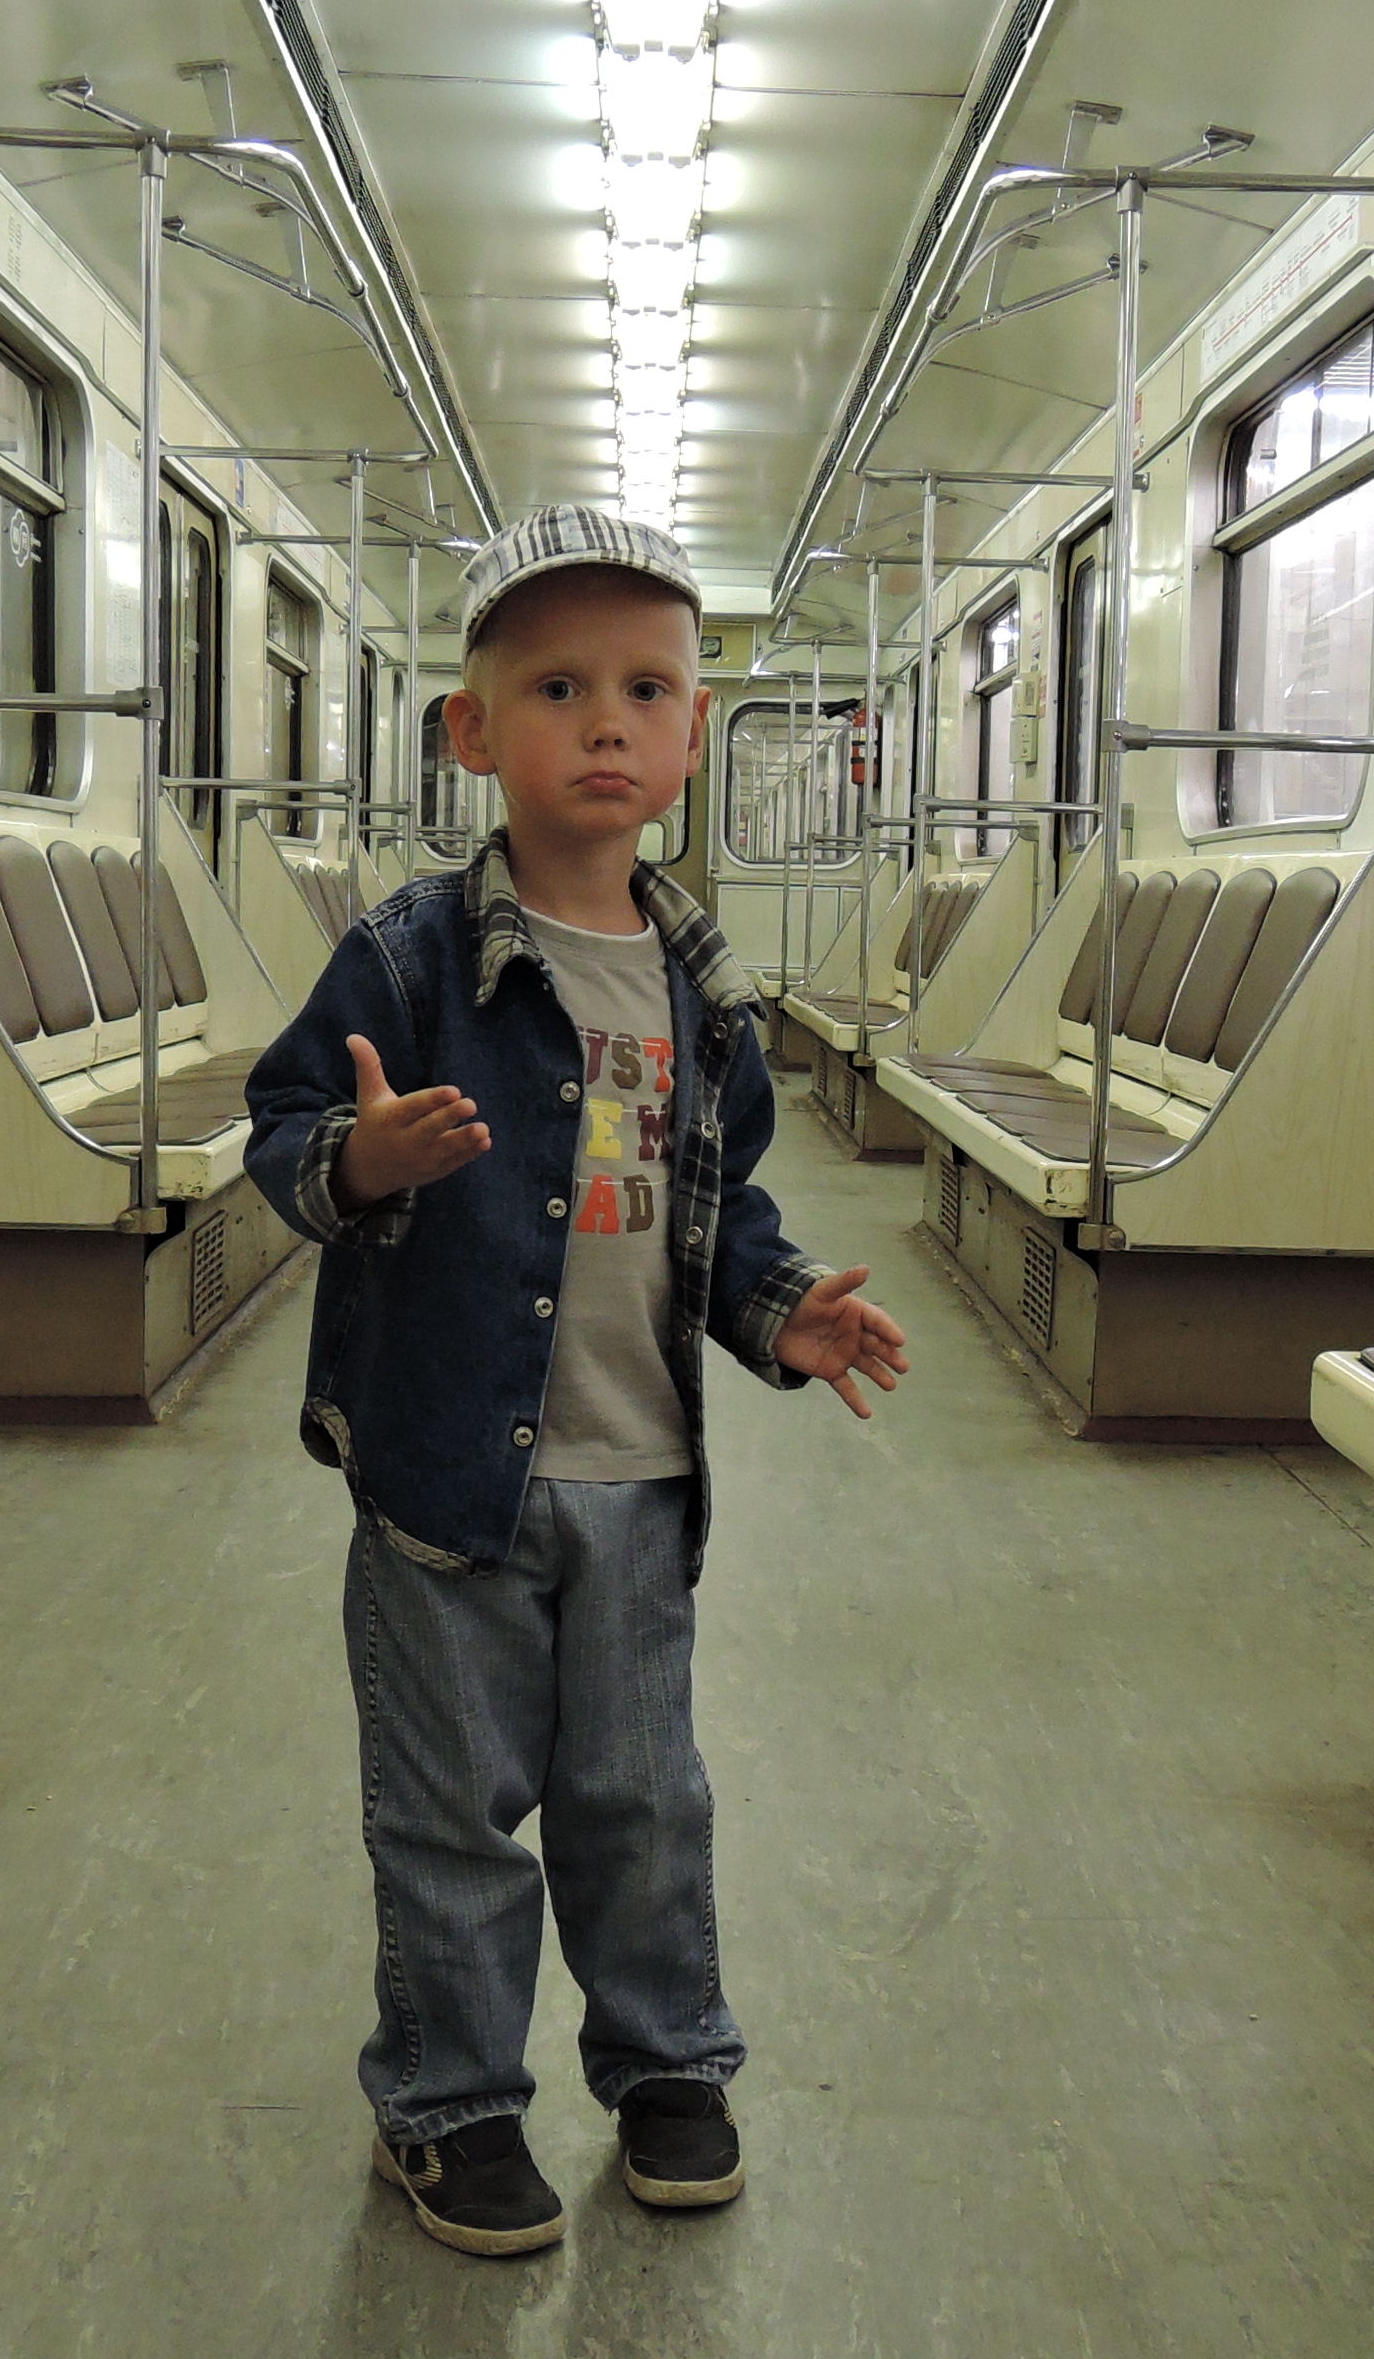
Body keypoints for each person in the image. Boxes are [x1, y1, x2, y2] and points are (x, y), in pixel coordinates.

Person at [244, 505, 909, 2259]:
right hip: (446, 1474)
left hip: (642, 1472)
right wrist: (364, 1163)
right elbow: (284, 1128)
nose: (604, 724)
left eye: (645, 691)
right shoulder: (409, 960)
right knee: (451, 1817)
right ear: (472, 733)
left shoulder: (707, 995)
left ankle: (668, 2066)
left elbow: (718, 1201)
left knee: (642, 1802)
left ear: (694, 739)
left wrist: (778, 1312)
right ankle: (451, 2102)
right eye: (555, 689)